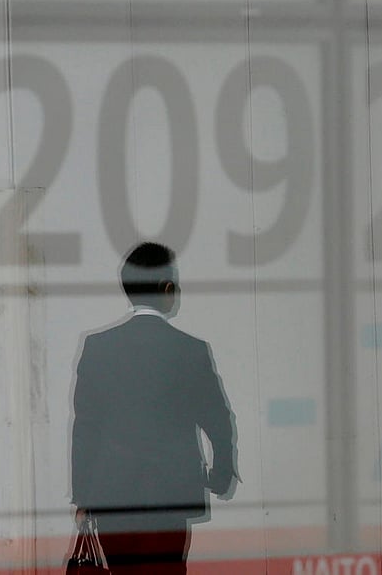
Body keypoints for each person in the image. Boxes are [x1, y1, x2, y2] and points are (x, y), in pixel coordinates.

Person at [71, 242, 238, 573]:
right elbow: (219, 420)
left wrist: (83, 497)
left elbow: (86, 428)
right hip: (171, 496)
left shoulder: (98, 348)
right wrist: (220, 475)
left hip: (112, 497)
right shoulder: (190, 350)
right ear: (166, 288)